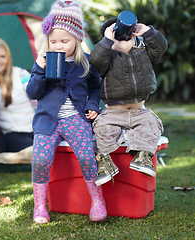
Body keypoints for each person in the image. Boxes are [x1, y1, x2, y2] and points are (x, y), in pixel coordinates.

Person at [26, 0, 107, 224]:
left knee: (86, 156)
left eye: (64, 41)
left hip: (75, 118)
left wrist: (92, 106)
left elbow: (94, 87)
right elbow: (32, 92)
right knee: (40, 159)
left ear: (77, 39)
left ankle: (97, 201)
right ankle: (40, 206)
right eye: (53, 41)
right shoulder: (42, 62)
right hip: (48, 120)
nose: (58, 45)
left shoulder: (85, 63)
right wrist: (40, 70)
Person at [89, 13, 168, 186]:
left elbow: (161, 47)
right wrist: (108, 41)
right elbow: (95, 59)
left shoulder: (143, 54)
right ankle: (104, 163)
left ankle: (142, 158)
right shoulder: (106, 59)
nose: (123, 39)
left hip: (140, 110)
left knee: (151, 124)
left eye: (128, 36)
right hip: (113, 112)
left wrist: (146, 31)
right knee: (101, 129)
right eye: (116, 38)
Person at [0, 37, 35, 152]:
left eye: (2, 56)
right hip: (10, 134)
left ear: (8, 58)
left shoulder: (20, 74)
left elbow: (37, 100)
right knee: (33, 149)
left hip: (34, 129)